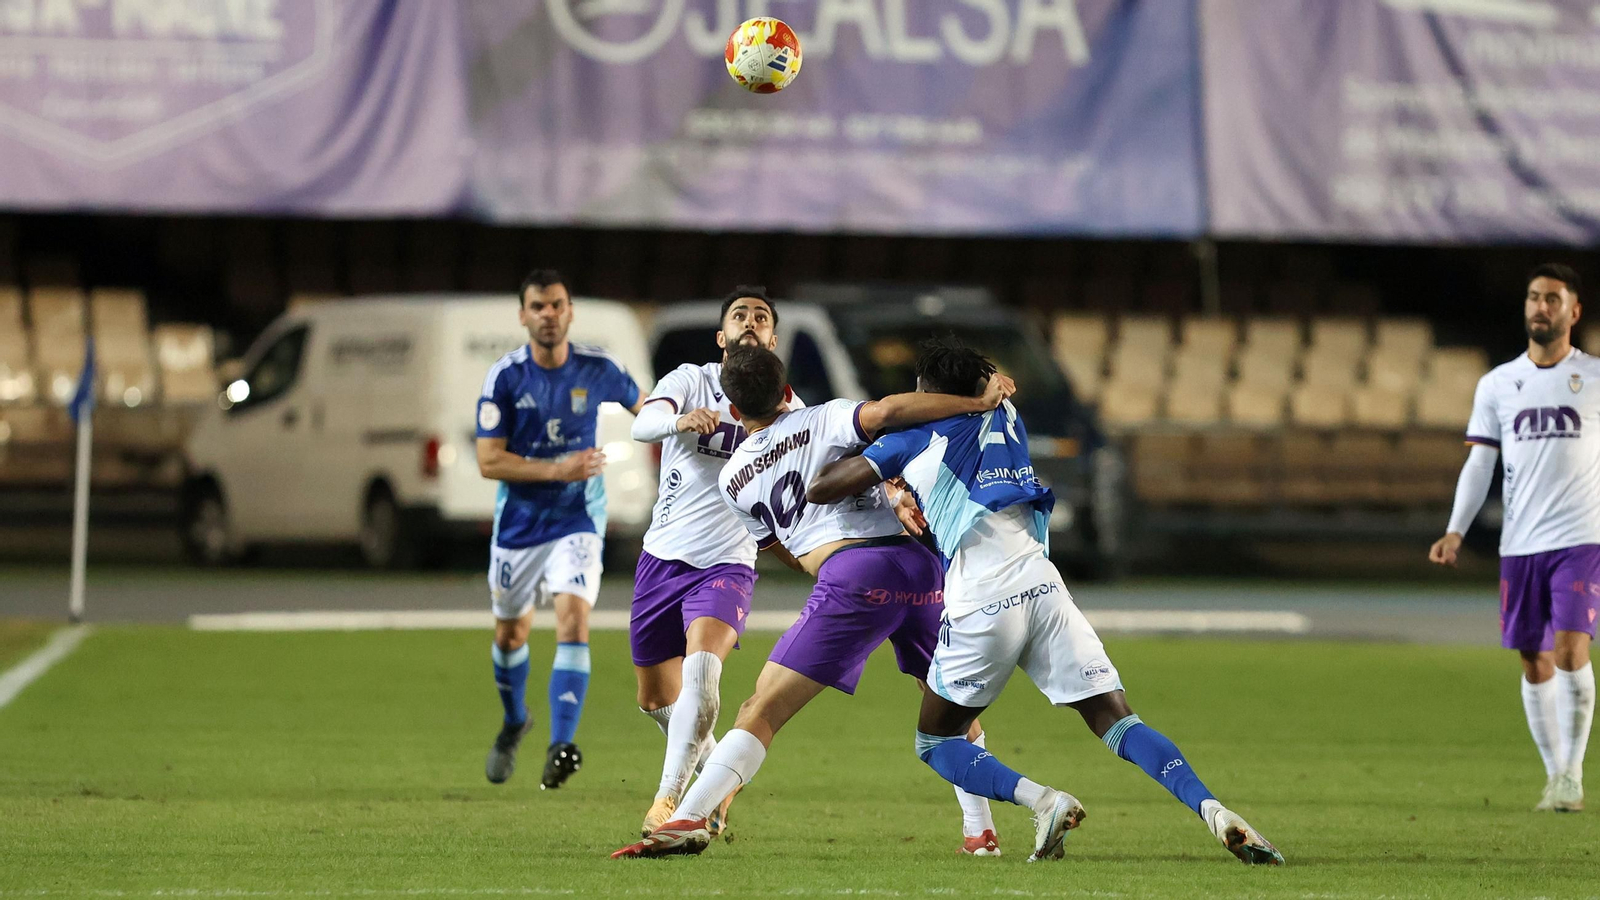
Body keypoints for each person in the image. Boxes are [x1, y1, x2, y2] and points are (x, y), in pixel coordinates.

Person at [805, 338, 1284, 865]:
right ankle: (1214, 809)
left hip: (982, 598)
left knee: (937, 743)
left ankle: (1044, 801)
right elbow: (992, 395)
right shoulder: (1009, 416)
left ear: (926, 393)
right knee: (1116, 719)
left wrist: (883, 468)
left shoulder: (912, 439)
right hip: (1043, 584)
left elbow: (821, 488)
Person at [611, 345, 1012, 859]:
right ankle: (982, 832)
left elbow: (782, 549)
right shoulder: (825, 419)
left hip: (855, 577)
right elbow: (889, 411)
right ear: (786, 392)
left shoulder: (735, 479)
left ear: (734, 411)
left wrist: (825, 564)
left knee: (762, 708)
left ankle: (687, 815)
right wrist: (972, 403)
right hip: (921, 568)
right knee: (943, 703)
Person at [626, 286, 802, 837]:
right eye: (740, 315)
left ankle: (670, 803)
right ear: (722, 336)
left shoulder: (788, 411)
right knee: (657, 699)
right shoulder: (690, 380)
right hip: (662, 559)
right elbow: (641, 423)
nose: (751, 322)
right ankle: (721, 773)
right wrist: (677, 423)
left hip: (727, 564)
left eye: (762, 317)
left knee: (703, 676)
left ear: (772, 338)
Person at [1430, 263, 1598, 813]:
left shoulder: (1595, 378)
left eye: (1552, 298)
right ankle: (1556, 776)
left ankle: (1573, 774)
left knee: (1571, 650)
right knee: (1533, 659)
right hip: (1521, 543)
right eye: (1533, 297)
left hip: (1582, 538)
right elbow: (1481, 463)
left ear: (1573, 311)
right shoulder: (1499, 383)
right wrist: (1456, 529)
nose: (1540, 307)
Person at [477, 269, 645, 789]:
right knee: (511, 635)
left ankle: (561, 744)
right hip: (521, 524)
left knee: (574, 621)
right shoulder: (505, 378)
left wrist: (686, 425)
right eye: (538, 307)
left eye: (557, 305)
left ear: (570, 311)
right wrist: (556, 469)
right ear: (523, 315)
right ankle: (513, 721)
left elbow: (651, 409)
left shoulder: (598, 368)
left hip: (579, 518)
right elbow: (489, 461)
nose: (549, 315)